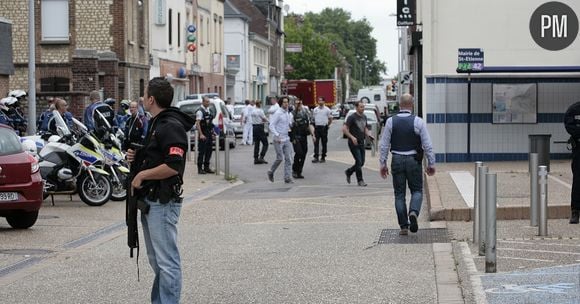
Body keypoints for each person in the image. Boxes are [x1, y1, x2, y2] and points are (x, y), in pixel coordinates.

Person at [126, 77, 195, 304]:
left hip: (162, 203)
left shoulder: (170, 126)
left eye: (145, 96)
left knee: (167, 263)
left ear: (152, 99)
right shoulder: (157, 123)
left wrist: (142, 175)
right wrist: (138, 157)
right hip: (151, 201)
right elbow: (157, 156)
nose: (143, 99)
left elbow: (173, 166)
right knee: (157, 262)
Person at [378, 93, 436, 235]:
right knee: (416, 190)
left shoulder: (391, 121)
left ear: (400, 105)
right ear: (412, 105)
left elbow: (384, 145)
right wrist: (431, 163)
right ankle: (414, 212)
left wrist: (383, 163)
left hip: (397, 158)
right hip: (413, 160)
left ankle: (404, 226)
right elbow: (427, 145)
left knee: (399, 194)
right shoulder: (418, 121)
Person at [343, 101, 374, 187]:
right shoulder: (351, 117)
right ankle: (360, 180)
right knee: (358, 161)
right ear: (356, 108)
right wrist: (352, 137)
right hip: (353, 142)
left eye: (363, 107)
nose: (363, 108)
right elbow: (344, 129)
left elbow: (365, 128)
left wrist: (369, 135)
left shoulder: (364, 117)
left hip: (361, 142)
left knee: (362, 162)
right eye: (361, 107)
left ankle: (349, 171)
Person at [267, 96, 294, 183]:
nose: (286, 104)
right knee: (280, 158)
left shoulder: (287, 113)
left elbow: (288, 124)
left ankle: (287, 177)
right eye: (284, 102)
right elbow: (271, 125)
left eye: (287, 102)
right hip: (278, 139)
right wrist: (277, 135)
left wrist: (291, 125)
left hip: (286, 138)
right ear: (281, 103)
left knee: (289, 158)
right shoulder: (278, 113)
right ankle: (271, 171)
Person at [291, 99, 315, 178]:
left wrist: (313, 135)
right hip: (296, 137)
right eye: (297, 103)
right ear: (294, 104)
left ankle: (299, 171)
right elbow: (289, 126)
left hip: (303, 137)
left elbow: (309, 125)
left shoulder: (305, 113)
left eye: (300, 103)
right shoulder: (292, 114)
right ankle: (294, 169)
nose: (299, 105)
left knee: (304, 154)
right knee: (299, 153)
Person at [195, 96, 216, 174]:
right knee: (202, 151)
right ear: (203, 102)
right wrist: (201, 134)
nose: (208, 103)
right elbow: (198, 123)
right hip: (203, 133)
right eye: (207, 102)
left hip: (209, 133)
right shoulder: (200, 111)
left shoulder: (209, 110)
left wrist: (213, 132)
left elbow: (210, 123)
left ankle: (206, 167)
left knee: (209, 150)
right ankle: (200, 168)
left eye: (209, 101)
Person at [312, 96, 333, 163]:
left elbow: (330, 119)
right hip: (317, 127)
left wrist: (327, 125)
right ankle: (316, 157)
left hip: (324, 128)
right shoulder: (315, 109)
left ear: (324, 101)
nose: (320, 102)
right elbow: (313, 118)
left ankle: (323, 157)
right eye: (319, 100)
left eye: (321, 100)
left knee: (324, 143)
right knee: (316, 143)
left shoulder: (327, 110)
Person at [251, 100, 269, 164]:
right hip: (260, 127)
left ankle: (256, 158)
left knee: (257, 144)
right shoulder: (260, 111)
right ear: (260, 104)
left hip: (254, 127)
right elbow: (264, 118)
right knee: (265, 143)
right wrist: (269, 121)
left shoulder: (253, 111)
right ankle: (261, 157)